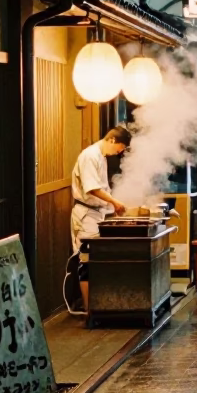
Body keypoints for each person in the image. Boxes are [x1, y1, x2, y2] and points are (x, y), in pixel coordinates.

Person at [70, 126, 131, 311]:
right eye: (120, 148)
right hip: (86, 215)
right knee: (87, 261)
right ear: (112, 140)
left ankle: (99, 305)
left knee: (97, 261)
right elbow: (92, 189)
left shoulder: (100, 156)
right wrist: (115, 203)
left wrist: (112, 207)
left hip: (97, 213)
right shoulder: (90, 156)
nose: (119, 153)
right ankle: (90, 309)